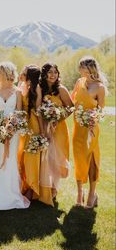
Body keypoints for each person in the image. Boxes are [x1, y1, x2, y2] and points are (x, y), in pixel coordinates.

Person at [0, 61, 30, 210]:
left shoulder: (17, 92)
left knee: (11, 160)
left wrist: (12, 127)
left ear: (7, 74)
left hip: (14, 132)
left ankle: (13, 195)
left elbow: (19, 113)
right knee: (0, 160)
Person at [71, 56, 107, 208]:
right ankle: (80, 193)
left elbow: (101, 110)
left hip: (91, 128)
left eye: (82, 67)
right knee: (79, 159)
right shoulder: (79, 82)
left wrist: (92, 119)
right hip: (78, 127)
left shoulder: (100, 87)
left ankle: (92, 193)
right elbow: (73, 101)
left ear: (90, 68)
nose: (79, 70)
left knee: (91, 159)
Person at [20, 65, 54, 206]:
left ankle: (33, 188)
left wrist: (42, 131)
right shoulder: (23, 86)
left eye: (24, 72)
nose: (21, 73)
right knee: (24, 157)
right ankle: (27, 186)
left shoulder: (37, 88)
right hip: (25, 126)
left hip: (34, 126)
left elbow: (39, 111)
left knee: (31, 157)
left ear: (29, 75)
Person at [39, 63, 74, 200]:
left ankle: (54, 187)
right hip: (45, 127)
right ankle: (44, 186)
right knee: (46, 157)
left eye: (55, 72)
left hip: (59, 128)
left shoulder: (61, 89)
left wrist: (57, 118)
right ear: (45, 74)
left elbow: (71, 107)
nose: (53, 74)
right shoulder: (40, 89)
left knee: (57, 157)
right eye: (50, 72)